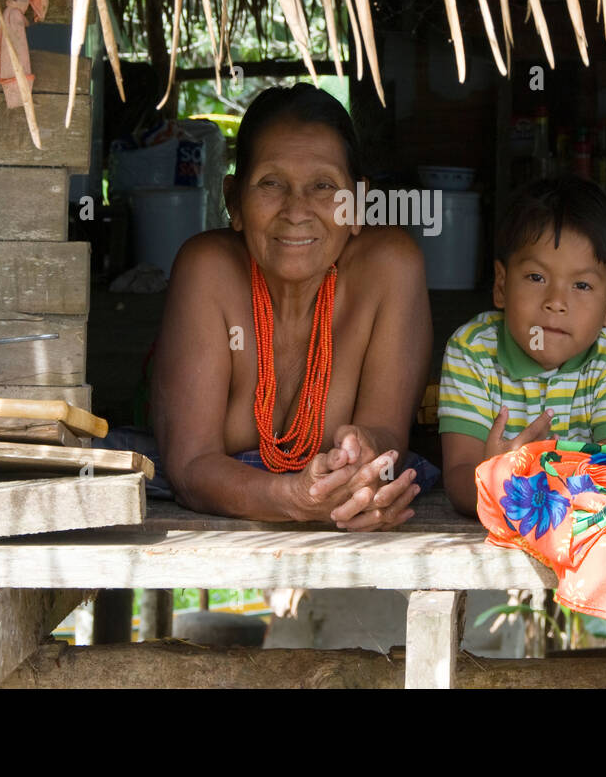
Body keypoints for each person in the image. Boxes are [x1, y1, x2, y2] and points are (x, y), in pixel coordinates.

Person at [150, 83, 433, 530]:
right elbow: (190, 467)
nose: (296, 210)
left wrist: (366, 455)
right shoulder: (208, 270)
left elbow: (389, 438)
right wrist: (292, 500)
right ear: (233, 202)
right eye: (271, 184)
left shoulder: (389, 268)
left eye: (323, 186)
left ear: (357, 204)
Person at [438, 175, 606, 517]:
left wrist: (546, 488)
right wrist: (496, 479)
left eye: (581, 285)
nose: (556, 302)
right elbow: (459, 480)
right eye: (536, 278)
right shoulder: (472, 351)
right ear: (502, 286)